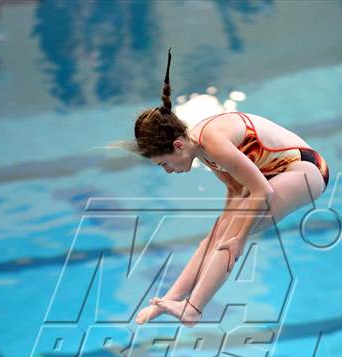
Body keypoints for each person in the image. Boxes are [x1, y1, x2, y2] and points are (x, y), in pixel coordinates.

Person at [126, 49, 329, 327]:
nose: (169, 171)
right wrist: (222, 227)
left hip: (305, 169)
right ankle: (169, 301)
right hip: (275, 174)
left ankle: (193, 309)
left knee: (231, 236)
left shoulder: (212, 142)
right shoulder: (199, 145)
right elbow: (236, 189)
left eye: (165, 164)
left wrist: (239, 236)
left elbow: (262, 192)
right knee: (213, 237)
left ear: (178, 146)